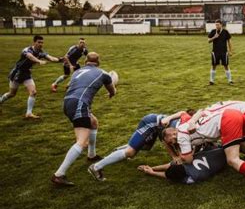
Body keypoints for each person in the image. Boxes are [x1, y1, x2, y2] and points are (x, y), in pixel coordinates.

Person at [162, 101, 245, 199]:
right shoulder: (184, 124)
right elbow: (198, 112)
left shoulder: (181, 136)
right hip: (235, 114)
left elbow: (188, 159)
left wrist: (181, 158)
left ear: (174, 131)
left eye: (171, 140)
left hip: (227, 120)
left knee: (232, 160)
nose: (173, 141)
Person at [51, 52, 116, 186]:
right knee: (82, 142)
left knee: (93, 122)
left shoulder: (78, 71)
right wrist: (111, 92)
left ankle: (91, 155)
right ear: (98, 61)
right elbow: (112, 91)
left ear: (86, 61)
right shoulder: (103, 73)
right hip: (80, 103)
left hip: (67, 102)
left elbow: (68, 86)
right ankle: (59, 174)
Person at [87, 110, 194, 180]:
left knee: (146, 147)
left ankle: (119, 150)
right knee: (130, 152)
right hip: (151, 123)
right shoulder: (182, 130)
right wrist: (174, 156)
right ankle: (96, 167)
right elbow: (165, 141)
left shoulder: (187, 128)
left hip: (158, 129)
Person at [0, 35, 63, 119]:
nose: (41, 44)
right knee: (12, 94)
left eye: (42, 42)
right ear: (34, 42)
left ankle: (29, 113)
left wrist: (60, 59)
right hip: (17, 73)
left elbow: (50, 58)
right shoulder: (27, 50)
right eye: (39, 42)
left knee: (33, 92)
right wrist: (39, 61)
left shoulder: (41, 52)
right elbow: (30, 56)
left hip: (26, 73)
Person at [138, 146, 227, 184]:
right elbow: (170, 166)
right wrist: (152, 168)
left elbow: (168, 175)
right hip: (219, 150)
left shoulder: (192, 177)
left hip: (225, 159)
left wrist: (152, 172)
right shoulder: (186, 163)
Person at [208, 19, 233, 85]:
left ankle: (230, 80)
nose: (216, 26)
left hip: (224, 52)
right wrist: (214, 37)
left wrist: (230, 51)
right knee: (213, 65)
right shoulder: (213, 31)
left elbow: (229, 42)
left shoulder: (225, 32)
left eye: (218, 25)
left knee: (226, 65)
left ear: (221, 25)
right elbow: (209, 41)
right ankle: (211, 81)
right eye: (216, 25)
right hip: (215, 52)